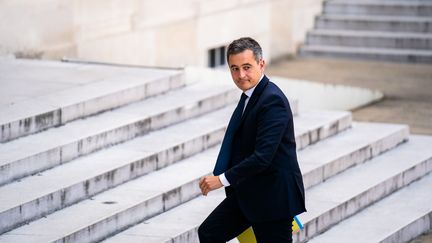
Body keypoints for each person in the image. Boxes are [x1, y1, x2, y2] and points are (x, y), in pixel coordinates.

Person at [198, 37, 306, 243]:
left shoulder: (272, 100)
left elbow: (262, 157)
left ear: (261, 64)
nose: (241, 75)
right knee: (209, 233)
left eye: (247, 67)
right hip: (248, 192)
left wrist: (220, 180)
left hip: (273, 198)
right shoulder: (251, 95)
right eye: (234, 69)